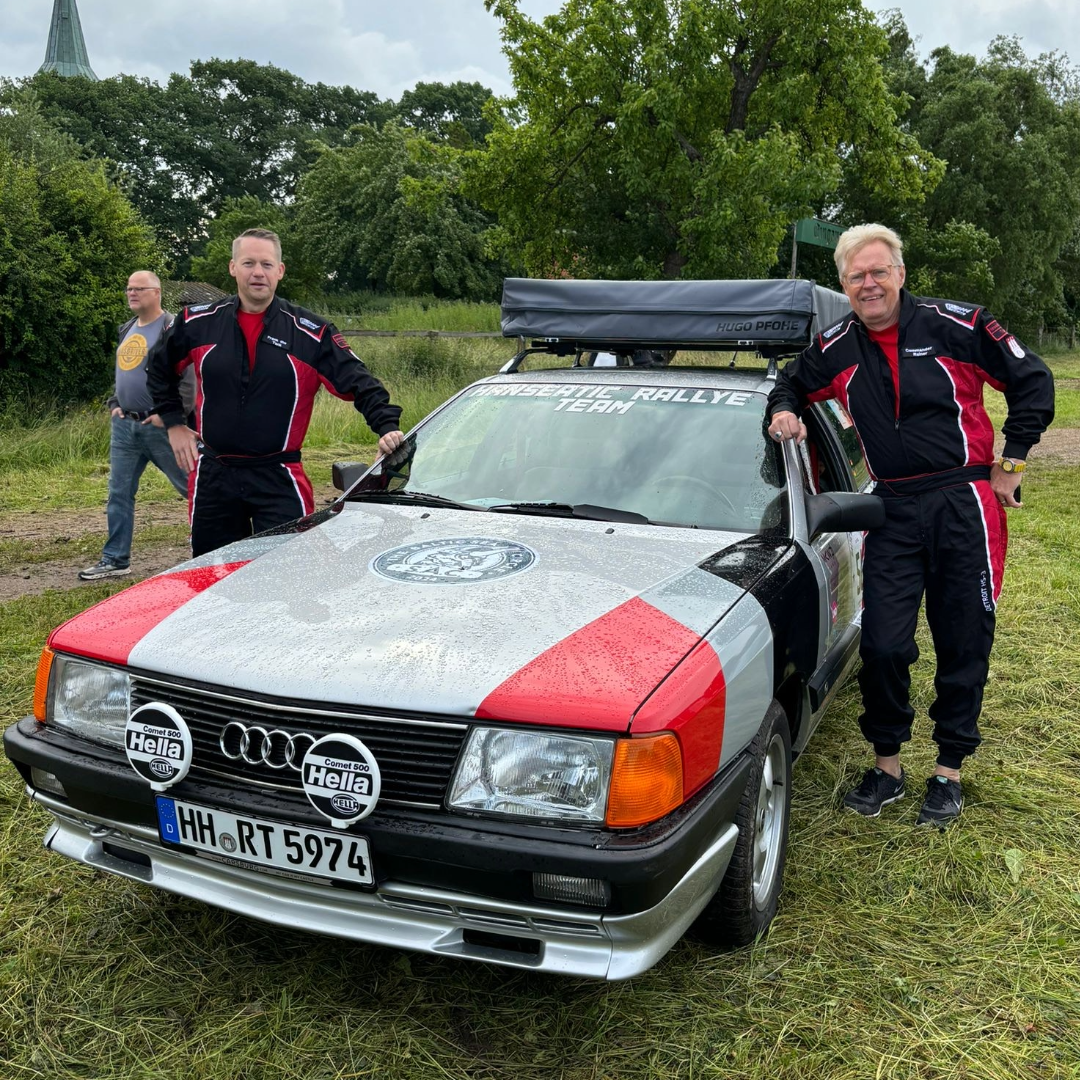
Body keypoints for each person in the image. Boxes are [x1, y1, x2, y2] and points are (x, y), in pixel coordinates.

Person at [767, 223, 1054, 826]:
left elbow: (1032, 379)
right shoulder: (837, 344)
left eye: (878, 271)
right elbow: (789, 381)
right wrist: (786, 410)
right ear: (844, 284)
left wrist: (1012, 460)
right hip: (891, 507)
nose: (868, 284)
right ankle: (887, 767)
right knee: (884, 644)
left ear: (899, 273)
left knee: (963, 639)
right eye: (856, 276)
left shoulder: (958, 324)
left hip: (962, 501)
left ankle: (949, 772)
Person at [147, 228, 404, 558]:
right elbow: (158, 369)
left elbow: (359, 381)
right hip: (213, 475)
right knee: (212, 575)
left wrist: (386, 427)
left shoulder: (311, 333)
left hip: (279, 476)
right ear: (233, 267)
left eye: (267, 264)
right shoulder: (196, 322)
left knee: (291, 572)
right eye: (249, 263)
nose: (258, 272)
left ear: (280, 271)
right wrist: (173, 424)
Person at [78, 271, 194, 581]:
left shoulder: (172, 328)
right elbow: (124, 371)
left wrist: (171, 416)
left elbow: (188, 377)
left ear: (156, 292)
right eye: (129, 288)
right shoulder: (127, 328)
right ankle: (115, 559)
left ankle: (218, 547)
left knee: (194, 487)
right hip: (125, 427)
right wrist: (115, 402)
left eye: (139, 288)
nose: (132, 293)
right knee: (119, 492)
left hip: (161, 426)